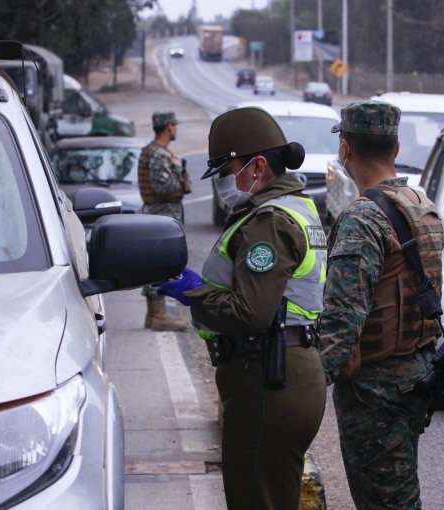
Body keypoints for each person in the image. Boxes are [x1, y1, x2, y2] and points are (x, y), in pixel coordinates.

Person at [158, 106, 327, 510]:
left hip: (270, 380)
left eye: (229, 169)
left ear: (259, 165)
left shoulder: (269, 221)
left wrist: (195, 294)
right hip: (283, 372)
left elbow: (252, 313)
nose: (227, 180)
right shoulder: (296, 208)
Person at [318, 100, 444, 510]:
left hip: (374, 391)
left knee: (387, 502)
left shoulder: (362, 218)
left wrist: (304, 386)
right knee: (399, 491)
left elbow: (342, 320)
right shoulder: (419, 205)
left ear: (346, 150)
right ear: (396, 149)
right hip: (416, 373)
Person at [138, 110, 191, 331]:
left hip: (158, 215)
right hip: (161, 216)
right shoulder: (160, 155)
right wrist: (179, 170)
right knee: (160, 263)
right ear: (169, 127)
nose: (176, 129)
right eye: (175, 125)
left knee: (153, 262)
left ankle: (153, 314)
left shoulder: (154, 151)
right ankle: (159, 315)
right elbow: (163, 188)